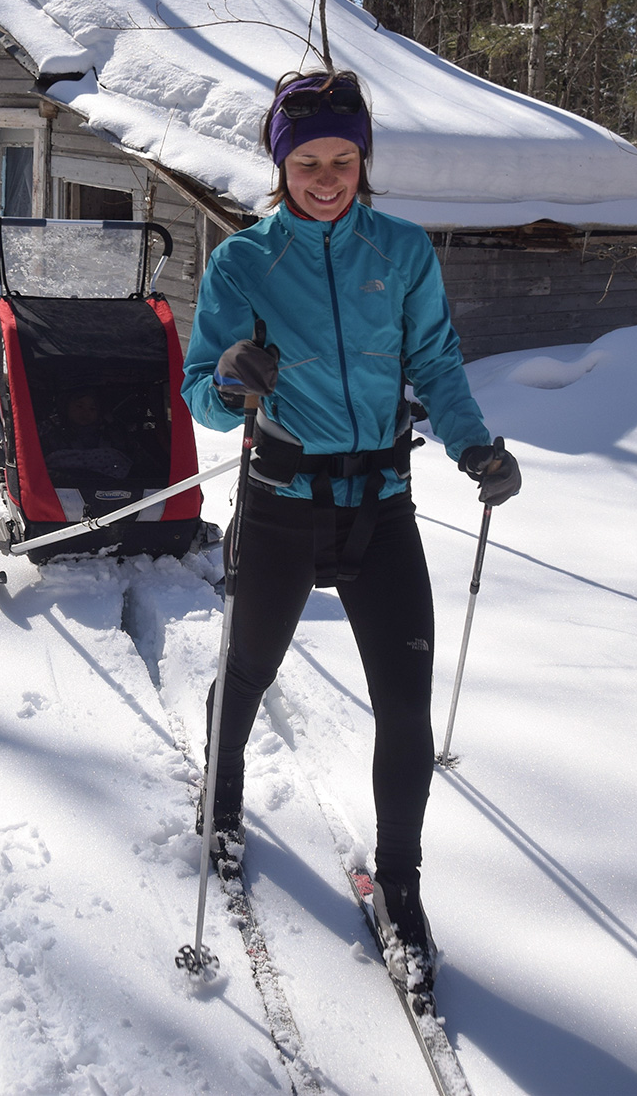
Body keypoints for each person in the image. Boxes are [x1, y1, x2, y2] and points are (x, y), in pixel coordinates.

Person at [181, 69, 521, 993]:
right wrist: (231, 378)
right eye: (306, 160)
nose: (324, 176)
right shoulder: (245, 263)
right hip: (283, 500)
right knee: (249, 670)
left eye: (341, 159)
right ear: (280, 165)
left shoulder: (404, 252)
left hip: (379, 505)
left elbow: (437, 364)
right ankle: (220, 797)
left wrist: (476, 446)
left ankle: (400, 888)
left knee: (406, 703)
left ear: (362, 162)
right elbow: (202, 394)